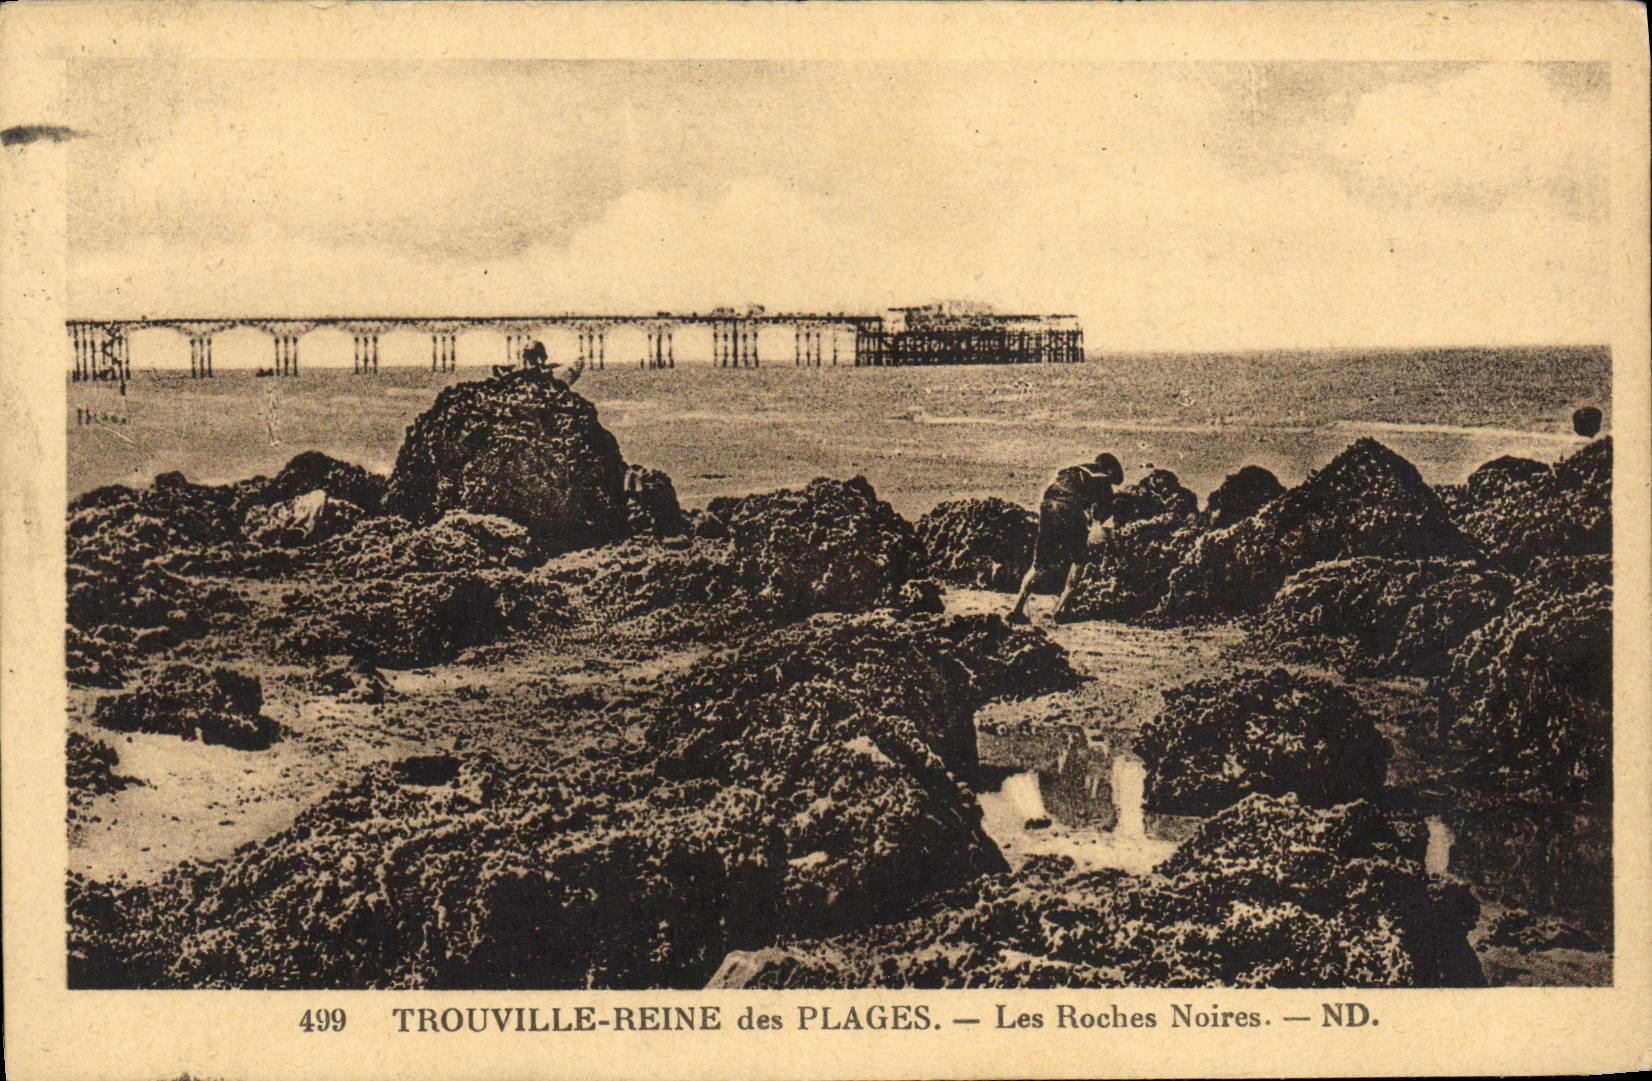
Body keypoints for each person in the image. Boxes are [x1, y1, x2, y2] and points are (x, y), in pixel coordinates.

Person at [1007, 452, 1124, 624]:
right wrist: (1114, 547)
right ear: (1110, 470)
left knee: (1039, 564)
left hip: (1047, 507)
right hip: (1069, 508)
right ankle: (1060, 610)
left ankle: (1016, 609)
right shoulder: (1103, 479)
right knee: (1079, 560)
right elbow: (1103, 520)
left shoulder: (1070, 471)